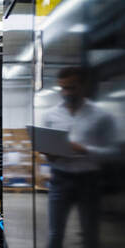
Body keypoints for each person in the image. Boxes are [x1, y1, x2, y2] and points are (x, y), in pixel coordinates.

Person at [41, 67, 116, 248]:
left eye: (71, 88)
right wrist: (49, 155)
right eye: (63, 88)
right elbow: (47, 151)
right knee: (55, 234)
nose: (67, 93)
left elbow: (114, 152)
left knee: (90, 235)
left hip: (89, 181)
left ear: (83, 86)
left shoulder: (101, 116)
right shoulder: (50, 115)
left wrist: (84, 149)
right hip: (60, 178)